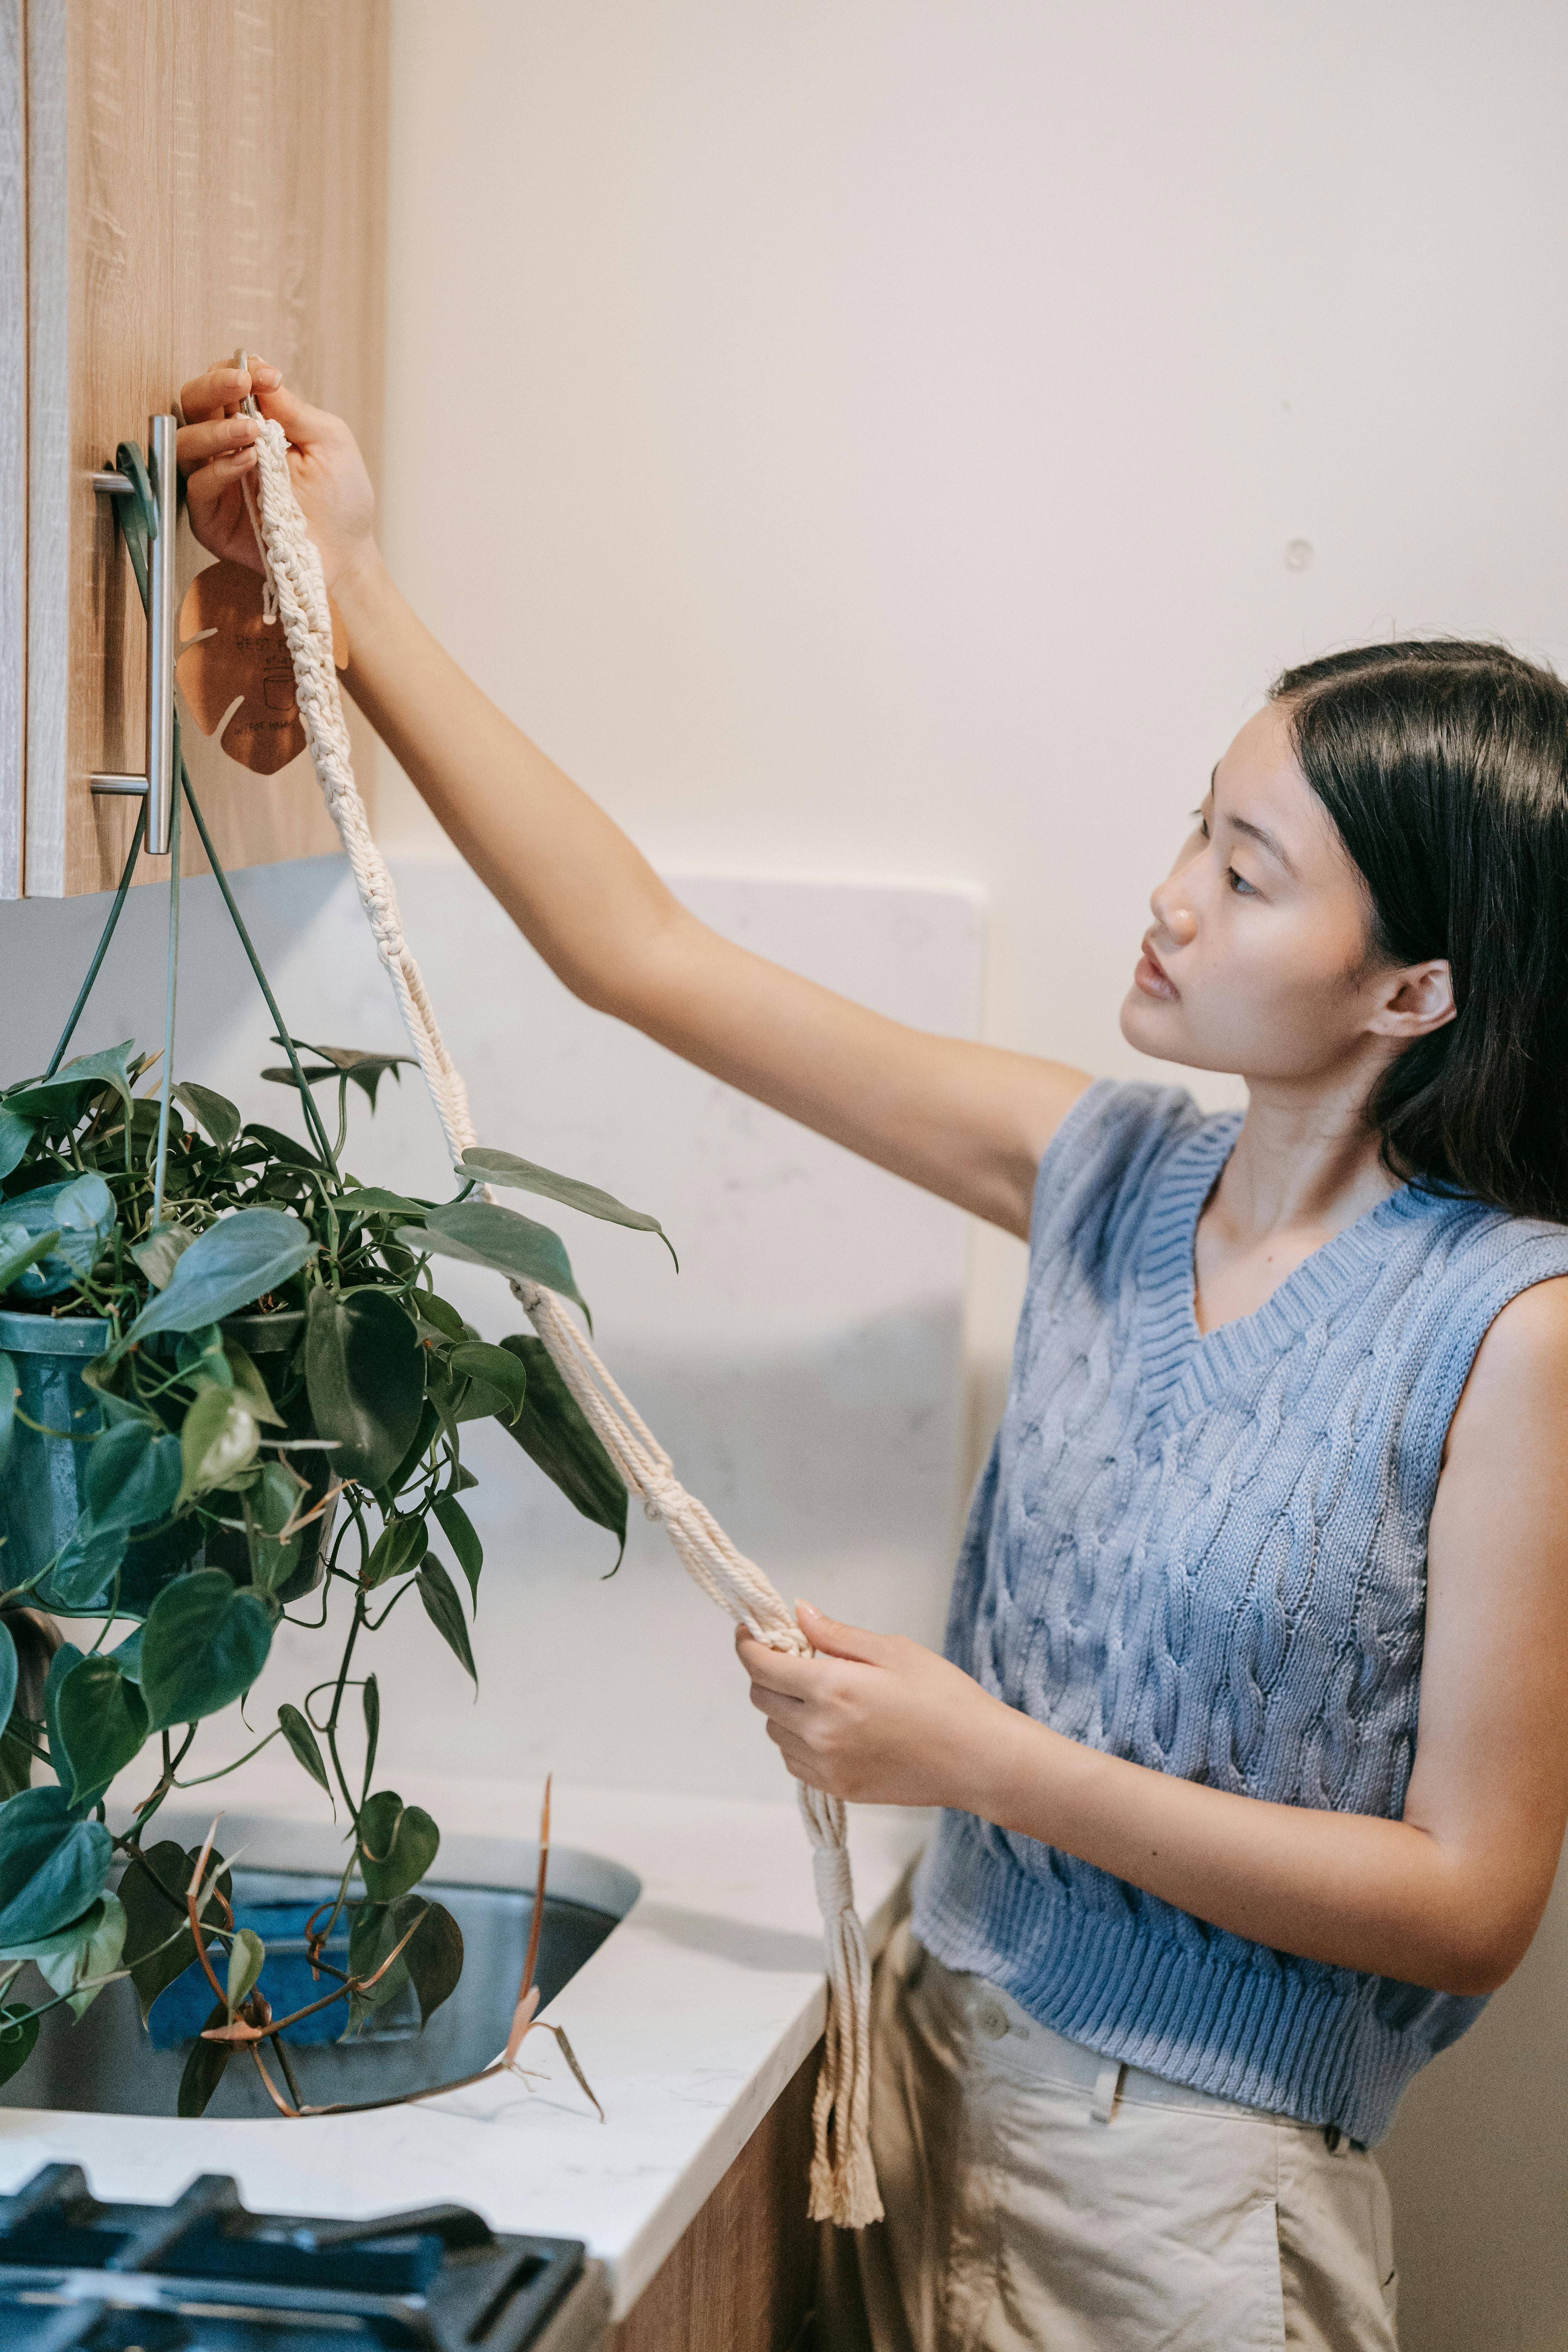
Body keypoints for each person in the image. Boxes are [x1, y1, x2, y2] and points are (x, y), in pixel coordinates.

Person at [176, 361, 1568, 2352]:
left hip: (1188, 2199)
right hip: (924, 2072)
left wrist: (982, 1764)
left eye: (1248, 876)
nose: (1170, 897)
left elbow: (1468, 1897)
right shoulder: (1098, 1170)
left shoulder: (1509, 1329)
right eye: (1200, 825)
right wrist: (356, 586)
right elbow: (637, 952)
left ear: (1412, 990)